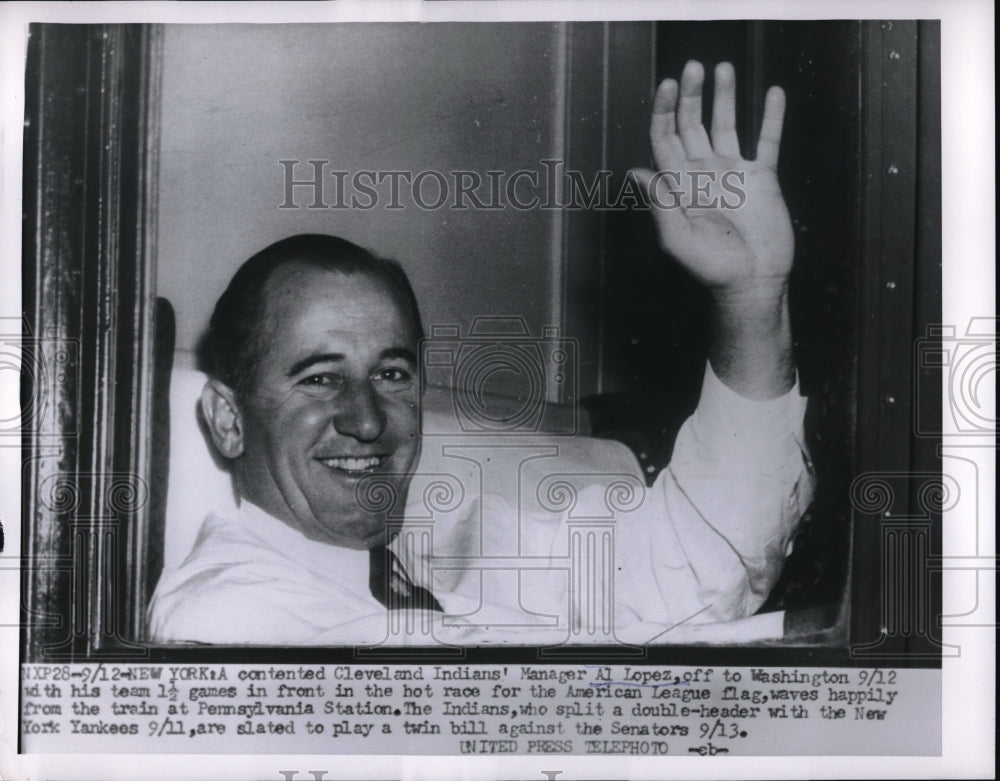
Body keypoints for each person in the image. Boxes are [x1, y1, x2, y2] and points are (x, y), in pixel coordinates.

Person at [148, 61, 815, 645]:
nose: (368, 418)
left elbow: (687, 573)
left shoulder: (431, 550)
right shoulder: (224, 613)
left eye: (390, 372)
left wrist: (750, 302)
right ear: (228, 419)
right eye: (320, 377)